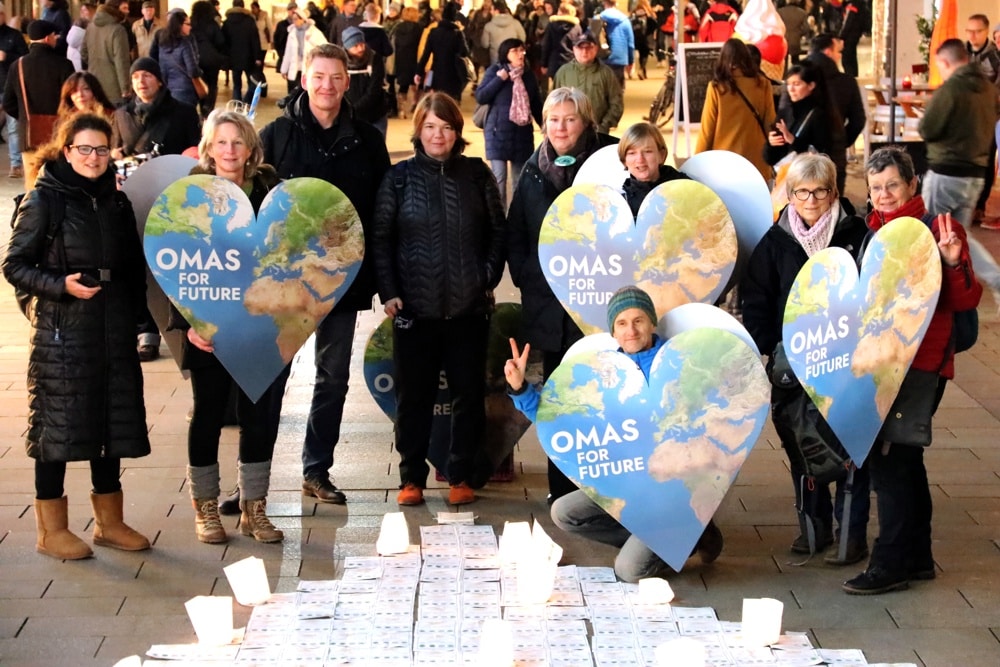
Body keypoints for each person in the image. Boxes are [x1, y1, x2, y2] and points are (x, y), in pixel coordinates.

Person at [2, 113, 151, 561]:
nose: (93, 157)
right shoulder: (44, 199)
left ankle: (109, 522)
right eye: (84, 149)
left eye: (102, 149)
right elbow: (14, 264)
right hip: (62, 332)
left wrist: (138, 320)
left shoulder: (115, 201)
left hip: (111, 327)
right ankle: (52, 530)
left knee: (109, 421)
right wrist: (59, 285)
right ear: (66, 151)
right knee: (57, 428)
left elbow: (132, 267)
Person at [835, 147, 982, 594]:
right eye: (876, 187)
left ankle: (890, 563)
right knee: (905, 458)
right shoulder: (872, 232)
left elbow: (965, 299)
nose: (883, 195)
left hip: (919, 365)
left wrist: (952, 262)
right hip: (881, 364)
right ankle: (916, 557)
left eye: (892, 185)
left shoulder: (939, 230)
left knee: (890, 462)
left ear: (912, 185)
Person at [505, 286, 724, 581]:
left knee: (628, 571)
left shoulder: (678, 364)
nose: (631, 331)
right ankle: (674, 540)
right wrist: (520, 388)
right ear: (613, 331)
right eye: (622, 323)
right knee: (564, 512)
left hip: (671, 491)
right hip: (625, 483)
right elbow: (557, 423)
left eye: (638, 320)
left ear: (651, 323)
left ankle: (687, 533)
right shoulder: (603, 372)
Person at [261, 43, 390, 506]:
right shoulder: (277, 135)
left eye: (336, 77)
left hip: (342, 279)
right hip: (286, 281)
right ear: (303, 80)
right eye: (318, 76)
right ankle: (253, 479)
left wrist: (381, 281)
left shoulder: (367, 140)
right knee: (269, 379)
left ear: (347, 82)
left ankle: (316, 470)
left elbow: (381, 212)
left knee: (332, 378)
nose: (326, 86)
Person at [372, 92, 505, 507]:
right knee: (414, 399)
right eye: (430, 127)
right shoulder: (399, 179)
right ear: (418, 131)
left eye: (446, 127)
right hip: (415, 310)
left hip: (469, 309)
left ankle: (460, 475)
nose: (438, 135)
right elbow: (381, 238)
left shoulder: (477, 175)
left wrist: (486, 276)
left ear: (457, 132)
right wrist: (390, 291)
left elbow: (497, 232)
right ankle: (411, 477)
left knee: (468, 395)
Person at [741, 153, 871, 564]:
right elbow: (755, 301)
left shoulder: (856, 235)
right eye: (801, 192)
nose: (811, 200)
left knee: (851, 449)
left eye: (819, 191)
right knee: (803, 445)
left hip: (847, 365)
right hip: (792, 367)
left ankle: (850, 536)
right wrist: (774, 346)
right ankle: (813, 530)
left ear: (833, 192)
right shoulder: (775, 242)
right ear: (789, 194)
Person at [179, 111, 289, 545]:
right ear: (208, 148)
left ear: (250, 148)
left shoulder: (271, 194)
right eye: (221, 142)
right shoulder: (189, 197)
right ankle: (205, 509)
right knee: (207, 414)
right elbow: (173, 262)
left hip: (260, 327)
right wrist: (188, 325)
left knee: (258, 416)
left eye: (237, 142)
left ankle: (253, 509)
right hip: (208, 329)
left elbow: (288, 258)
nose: (229, 150)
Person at [507, 87, 618, 502]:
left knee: (605, 395)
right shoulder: (533, 170)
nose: (561, 128)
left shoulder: (610, 158)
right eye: (553, 120)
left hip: (601, 301)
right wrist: (527, 275)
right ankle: (562, 488)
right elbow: (517, 230)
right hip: (550, 304)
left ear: (586, 122)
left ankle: (605, 486)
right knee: (560, 395)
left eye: (570, 119)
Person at [918, 39, 1000, 297]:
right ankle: (974, 282)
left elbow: (927, 128)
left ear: (945, 62)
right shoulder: (988, 89)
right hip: (975, 174)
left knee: (931, 231)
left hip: (945, 172)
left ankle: (930, 292)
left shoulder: (950, 89)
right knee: (960, 237)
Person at [696, 38, 776, 185]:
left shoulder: (717, 87)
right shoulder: (763, 84)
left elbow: (707, 130)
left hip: (725, 162)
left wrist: (697, 163)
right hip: (757, 160)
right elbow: (770, 122)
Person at [2, 21, 74, 183]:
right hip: (59, 133)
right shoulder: (64, 65)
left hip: (29, 135)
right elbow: (72, 99)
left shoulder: (17, 66)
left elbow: (8, 102)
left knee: (34, 183)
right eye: (54, 36)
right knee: (61, 182)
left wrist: (25, 117)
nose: (56, 38)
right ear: (48, 38)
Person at [474, 38, 543, 205]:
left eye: (522, 50)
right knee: (499, 179)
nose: (520, 54)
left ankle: (515, 216)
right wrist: (499, 79)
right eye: (515, 51)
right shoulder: (495, 71)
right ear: (506, 54)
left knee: (520, 181)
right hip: (497, 133)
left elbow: (536, 104)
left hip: (522, 134)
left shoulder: (528, 75)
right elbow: (481, 96)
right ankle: (499, 216)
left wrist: (545, 126)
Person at [765, 61, 845, 193]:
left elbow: (823, 152)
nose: (791, 89)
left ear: (811, 85)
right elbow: (770, 158)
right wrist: (771, 143)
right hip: (788, 184)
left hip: (812, 185)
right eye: (788, 84)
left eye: (797, 84)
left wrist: (793, 140)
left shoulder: (820, 115)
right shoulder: (786, 112)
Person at [964, 14, 1000, 227]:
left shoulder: (995, 57)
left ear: (986, 32)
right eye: (969, 31)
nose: (972, 36)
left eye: (977, 31)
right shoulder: (962, 53)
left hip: (989, 118)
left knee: (985, 161)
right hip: (965, 117)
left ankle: (979, 206)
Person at [552, 33, 623, 134]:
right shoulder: (563, 73)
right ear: (574, 49)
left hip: (597, 132)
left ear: (596, 49)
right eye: (580, 48)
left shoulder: (606, 73)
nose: (584, 52)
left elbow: (616, 103)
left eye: (588, 48)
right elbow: (553, 104)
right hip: (569, 132)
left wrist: (604, 125)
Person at [619, 122, 687, 216]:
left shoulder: (685, 187)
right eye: (632, 153)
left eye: (647, 151)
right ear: (624, 160)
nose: (640, 159)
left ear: (661, 155)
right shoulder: (622, 202)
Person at [416, 2, 470, 102]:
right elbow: (464, 53)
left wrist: (418, 72)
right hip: (453, 73)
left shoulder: (434, 32)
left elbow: (426, 54)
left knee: (436, 101)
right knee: (450, 101)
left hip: (436, 72)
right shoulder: (457, 34)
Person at [81, 0, 131, 105]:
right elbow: (121, 61)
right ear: (116, 10)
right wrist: (126, 89)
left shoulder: (90, 27)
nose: (127, 11)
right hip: (114, 88)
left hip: (94, 83)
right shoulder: (118, 30)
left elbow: (83, 53)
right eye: (124, 8)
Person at [0, 2, 29, 179]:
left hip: (9, 86)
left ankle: (16, 164)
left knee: (13, 127)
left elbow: (25, 57)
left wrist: (7, 56)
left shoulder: (14, 35)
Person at [343, 26, 389, 135]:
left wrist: (354, 108)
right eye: (355, 46)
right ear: (347, 47)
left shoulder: (375, 59)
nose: (360, 48)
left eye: (362, 44)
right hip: (351, 117)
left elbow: (374, 90)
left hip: (375, 115)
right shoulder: (340, 62)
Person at [155, 9, 202, 107]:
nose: (190, 27)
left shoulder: (163, 42)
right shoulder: (185, 43)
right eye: (188, 24)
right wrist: (200, 72)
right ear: (179, 25)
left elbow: (162, 67)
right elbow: (192, 70)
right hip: (186, 89)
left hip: (169, 88)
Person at [190, 0, 229, 117]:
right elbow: (220, 41)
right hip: (211, 61)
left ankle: (197, 107)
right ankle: (207, 109)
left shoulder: (190, 24)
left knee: (197, 83)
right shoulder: (212, 24)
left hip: (194, 60)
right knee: (212, 85)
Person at [279, 7, 328, 96]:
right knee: (292, 94)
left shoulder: (313, 32)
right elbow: (288, 52)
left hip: (309, 68)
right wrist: (284, 69)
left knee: (306, 93)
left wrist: (311, 40)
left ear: (303, 19)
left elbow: (325, 47)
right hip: (294, 68)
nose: (294, 21)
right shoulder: (292, 33)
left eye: (296, 19)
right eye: (293, 19)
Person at [222, 0, 262, 103]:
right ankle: (247, 101)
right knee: (252, 82)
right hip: (248, 57)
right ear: (243, 6)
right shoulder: (249, 21)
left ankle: (237, 103)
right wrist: (257, 57)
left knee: (236, 84)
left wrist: (226, 57)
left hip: (233, 57)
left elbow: (223, 42)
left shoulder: (227, 22)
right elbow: (255, 40)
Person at [540, 2, 581, 86]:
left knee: (556, 89)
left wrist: (544, 64)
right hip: (571, 62)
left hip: (554, 62)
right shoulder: (577, 27)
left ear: (560, 11)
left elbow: (546, 45)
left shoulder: (551, 25)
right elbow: (579, 45)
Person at [392, 6, 422, 118]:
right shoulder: (419, 28)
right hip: (415, 59)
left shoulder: (398, 27)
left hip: (401, 59)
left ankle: (401, 110)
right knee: (417, 85)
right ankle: (416, 105)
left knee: (403, 86)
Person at [596, 0, 633, 89]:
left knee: (602, 89)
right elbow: (630, 44)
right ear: (616, 3)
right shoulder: (625, 21)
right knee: (618, 89)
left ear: (604, 3)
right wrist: (630, 61)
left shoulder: (597, 19)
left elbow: (590, 38)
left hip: (601, 58)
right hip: (619, 58)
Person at [482, 1, 525, 66]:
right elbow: (522, 38)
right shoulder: (516, 23)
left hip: (496, 59)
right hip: (513, 58)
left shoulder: (488, 26)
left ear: (496, 11)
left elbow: (485, 44)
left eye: (491, 9)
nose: (490, 12)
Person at [777, 0, 810, 67]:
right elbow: (806, 29)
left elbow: (776, 26)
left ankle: (784, 73)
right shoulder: (802, 13)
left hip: (783, 41)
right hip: (795, 41)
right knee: (796, 62)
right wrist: (798, 33)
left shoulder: (779, 12)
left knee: (783, 62)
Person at [630, 0, 656, 80]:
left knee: (643, 54)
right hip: (642, 39)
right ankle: (642, 69)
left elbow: (655, 25)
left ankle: (643, 71)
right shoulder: (636, 19)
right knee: (643, 55)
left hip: (641, 39)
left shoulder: (647, 19)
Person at [67, 2, 95, 71]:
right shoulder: (86, 35)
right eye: (82, 10)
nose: (83, 13)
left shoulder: (73, 32)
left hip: (74, 70)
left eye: (85, 10)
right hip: (85, 71)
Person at [837, 0, 862, 77]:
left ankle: (850, 77)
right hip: (853, 36)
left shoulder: (852, 5)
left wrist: (840, 37)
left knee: (847, 60)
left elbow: (847, 22)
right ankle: (853, 77)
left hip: (849, 37)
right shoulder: (853, 4)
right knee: (851, 58)